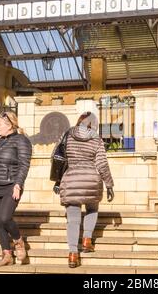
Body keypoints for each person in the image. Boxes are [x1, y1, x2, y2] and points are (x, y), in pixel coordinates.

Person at [58, 111, 114, 268]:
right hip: (91, 179)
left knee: (73, 220)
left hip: (71, 178)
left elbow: (58, 157)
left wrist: (58, 181)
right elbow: (102, 164)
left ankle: (73, 254)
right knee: (92, 208)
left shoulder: (67, 134)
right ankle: (87, 240)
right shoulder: (96, 138)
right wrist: (109, 184)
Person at [0, 111, 32, 267]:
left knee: (5, 218)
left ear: (9, 125)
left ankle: (18, 241)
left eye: (0, 124)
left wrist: (18, 184)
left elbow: (24, 165)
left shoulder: (22, 140)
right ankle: (6, 254)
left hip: (11, 186)